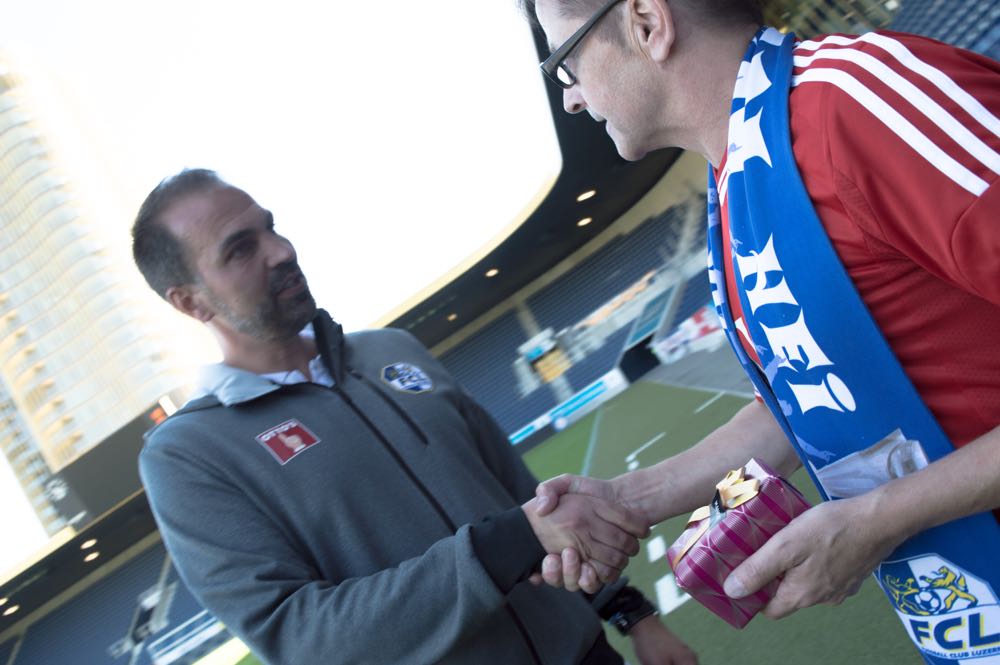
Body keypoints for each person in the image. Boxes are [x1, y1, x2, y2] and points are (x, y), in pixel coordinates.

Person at [519, 0, 1000, 659]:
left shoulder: (850, 106)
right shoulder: (739, 179)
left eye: (564, 61)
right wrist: (630, 498)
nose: (569, 97)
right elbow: (813, 388)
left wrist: (877, 517)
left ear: (646, 23)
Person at [131, 169, 698, 665]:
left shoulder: (391, 351)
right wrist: (502, 547)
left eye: (271, 227)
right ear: (190, 302)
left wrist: (632, 615)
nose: (280, 251)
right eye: (240, 249)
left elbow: (524, 494)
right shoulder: (188, 456)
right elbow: (303, 638)